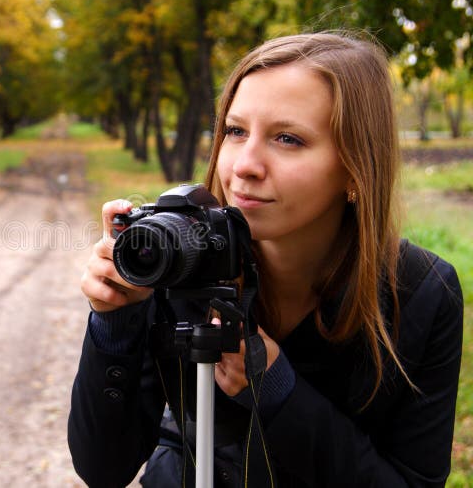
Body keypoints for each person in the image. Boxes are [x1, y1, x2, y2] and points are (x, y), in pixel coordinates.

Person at [68, 32, 463, 488]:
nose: (244, 166)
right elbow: (103, 468)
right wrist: (115, 322)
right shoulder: (180, 255)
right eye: (235, 131)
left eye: (288, 138)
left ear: (357, 168)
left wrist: (278, 393)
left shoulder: (421, 292)